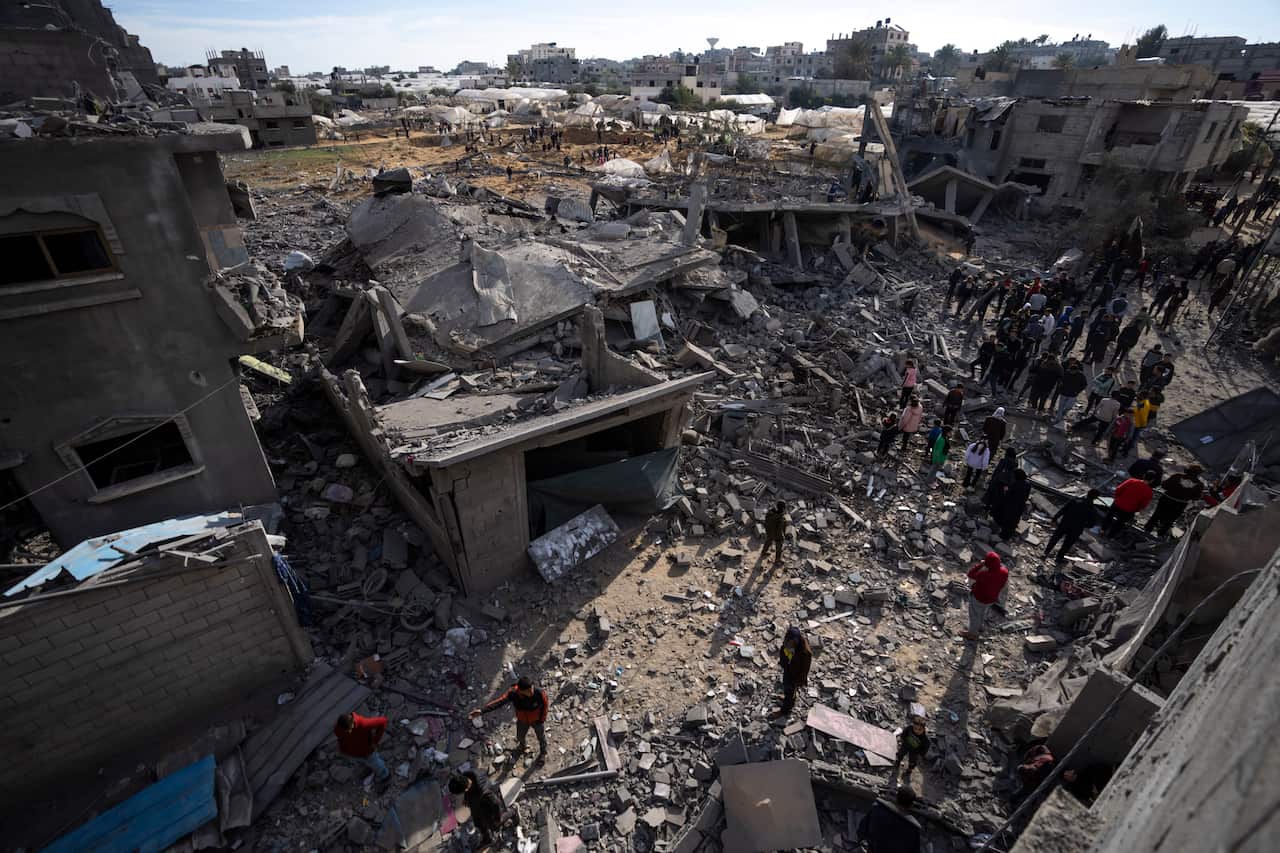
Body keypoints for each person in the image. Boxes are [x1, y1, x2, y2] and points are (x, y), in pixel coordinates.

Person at [470, 676, 550, 760]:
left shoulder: (539, 693)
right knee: (520, 737)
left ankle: (543, 753)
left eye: (531, 689)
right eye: (528, 691)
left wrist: (541, 720)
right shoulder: (513, 693)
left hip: (537, 720)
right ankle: (523, 746)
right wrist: (482, 711)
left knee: (541, 737)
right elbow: (499, 702)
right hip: (522, 720)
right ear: (521, 691)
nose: (531, 693)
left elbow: (545, 705)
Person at [449, 769, 511, 847]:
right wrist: (466, 799)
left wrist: (497, 818)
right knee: (478, 823)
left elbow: (495, 804)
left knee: (493, 825)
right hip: (476, 805)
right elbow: (468, 791)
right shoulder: (467, 775)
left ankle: (512, 811)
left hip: (487, 806)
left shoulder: (484, 791)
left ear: (466, 789)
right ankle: (487, 839)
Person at [857, 786, 922, 853]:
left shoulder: (877, 810)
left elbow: (861, 831)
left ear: (897, 798)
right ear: (911, 805)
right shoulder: (913, 830)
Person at [1145, 465, 1204, 538]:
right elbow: (1196, 497)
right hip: (1180, 504)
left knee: (1156, 515)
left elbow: (1164, 485)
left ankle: (1147, 530)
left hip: (1166, 500)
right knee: (1170, 520)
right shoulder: (1199, 485)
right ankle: (1160, 535)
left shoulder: (1177, 476)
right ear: (1198, 474)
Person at [962, 551, 1009, 640]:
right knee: (983, 612)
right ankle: (980, 626)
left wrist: (980, 565)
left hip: (978, 598)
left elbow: (970, 574)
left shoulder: (984, 574)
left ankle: (972, 633)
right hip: (991, 599)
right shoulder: (1004, 572)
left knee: (974, 614)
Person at [333, 711, 390, 783]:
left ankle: (385, 776)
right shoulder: (338, 728)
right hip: (352, 753)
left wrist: (375, 741)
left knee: (376, 764)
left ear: (353, 723)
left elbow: (383, 721)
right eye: (346, 731)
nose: (348, 732)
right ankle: (368, 768)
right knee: (365, 763)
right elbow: (340, 738)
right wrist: (343, 749)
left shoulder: (363, 723)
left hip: (367, 752)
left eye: (349, 730)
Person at [1044, 489, 1101, 561]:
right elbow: (1091, 524)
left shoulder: (1075, 500)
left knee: (1055, 538)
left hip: (1065, 523)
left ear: (1087, 493)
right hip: (1076, 529)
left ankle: (1046, 552)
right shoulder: (1093, 510)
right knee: (1067, 544)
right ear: (1095, 498)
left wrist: (1054, 519)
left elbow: (1063, 509)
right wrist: (1082, 524)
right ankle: (1059, 557)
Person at [771, 626, 812, 718]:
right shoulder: (787, 644)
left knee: (791, 692)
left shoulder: (805, 652)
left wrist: (798, 681)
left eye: (792, 642)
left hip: (795, 676)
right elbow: (783, 653)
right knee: (787, 687)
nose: (789, 644)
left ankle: (785, 710)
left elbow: (805, 669)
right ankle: (787, 697)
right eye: (789, 641)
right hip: (788, 670)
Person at [991, 469, 1032, 539]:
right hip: (1020, 506)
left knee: (1007, 519)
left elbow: (1009, 494)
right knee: (1013, 521)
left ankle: (1003, 535)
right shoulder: (1028, 484)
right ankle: (1008, 535)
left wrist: (1006, 490)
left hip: (1011, 505)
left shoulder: (1016, 484)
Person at [1053, 359, 1088, 426]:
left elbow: (1084, 385)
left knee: (1068, 407)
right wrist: (1060, 388)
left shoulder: (1081, 376)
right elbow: (1061, 381)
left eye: (1072, 371)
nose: (1071, 372)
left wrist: (1077, 391)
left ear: (1076, 370)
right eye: (1070, 370)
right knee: (1060, 407)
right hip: (1064, 393)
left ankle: (1061, 417)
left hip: (1073, 395)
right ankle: (1057, 420)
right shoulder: (1066, 373)